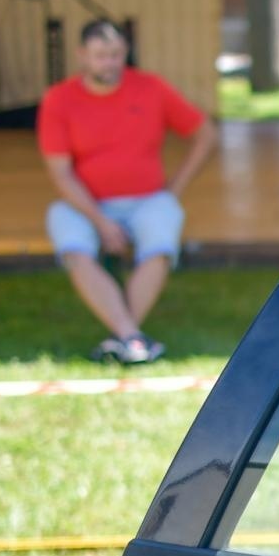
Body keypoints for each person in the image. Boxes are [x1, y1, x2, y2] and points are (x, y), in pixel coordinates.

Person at [38, 19, 216, 364]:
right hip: (85, 204)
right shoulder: (59, 100)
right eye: (101, 55)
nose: (110, 63)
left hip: (148, 199)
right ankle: (131, 335)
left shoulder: (151, 88)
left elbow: (205, 133)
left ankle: (123, 337)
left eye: (117, 54)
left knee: (161, 241)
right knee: (71, 242)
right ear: (82, 56)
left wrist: (173, 190)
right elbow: (60, 173)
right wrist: (101, 223)